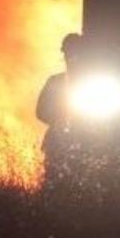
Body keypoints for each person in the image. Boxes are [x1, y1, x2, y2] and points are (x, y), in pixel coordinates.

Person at [36, 33, 82, 182]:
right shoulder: (55, 81)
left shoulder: (96, 83)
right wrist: (60, 119)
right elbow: (40, 111)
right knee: (54, 182)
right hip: (58, 141)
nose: (72, 57)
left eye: (76, 52)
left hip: (87, 141)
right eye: (69, 52)